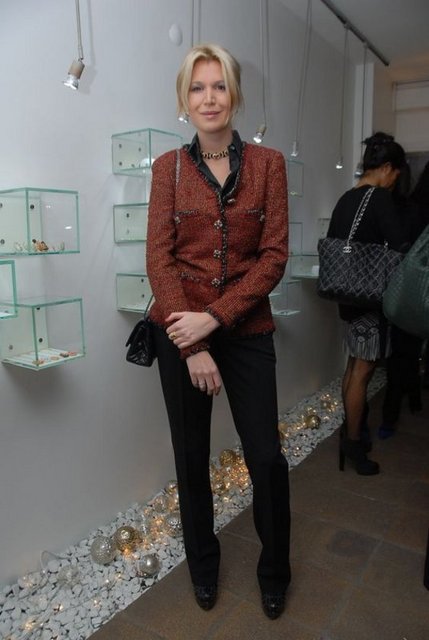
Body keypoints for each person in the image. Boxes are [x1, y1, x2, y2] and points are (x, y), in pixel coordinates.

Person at [146, 44, 290, 619]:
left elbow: (273, 257)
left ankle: (275, 572)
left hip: (247, 326)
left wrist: (217, 317)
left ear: (236, 94)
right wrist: (194, 342)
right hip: (181, 329)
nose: (209, 98)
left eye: (220, 85)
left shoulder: (269, 164)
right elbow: (159, 261)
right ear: (185, 100)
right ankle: (202, 568)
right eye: (198, 87)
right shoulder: (168, 169)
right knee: (191, 455)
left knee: (267, 458)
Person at [327, 132, 405, 475]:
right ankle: (354, 443)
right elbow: (399, 244)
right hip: (370, 296)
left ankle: (350, 430)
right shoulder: (380, 199)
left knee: (353, 366)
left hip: (347, 295)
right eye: (395, 174)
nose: (394, 182)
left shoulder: (346, 198)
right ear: (386, 167)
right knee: (363, 371)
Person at [378, 162, 425, 438]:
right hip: (414, 289)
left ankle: (390, 416)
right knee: (408, 350)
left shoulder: (396, 208)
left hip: (396, 289)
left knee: (399, 353)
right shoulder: (414, 211)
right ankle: (411, 399)